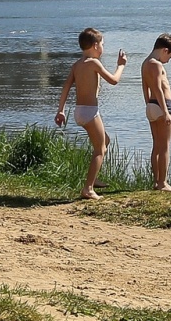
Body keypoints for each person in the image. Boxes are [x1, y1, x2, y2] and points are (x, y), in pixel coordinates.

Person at [53, 26, 127, 199]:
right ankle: (88, 189)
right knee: (100, 149)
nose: (103, 48)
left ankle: (94, 178)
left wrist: (61, 110)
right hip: (90, 112)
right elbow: (114, 80)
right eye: (102, 44)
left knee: (104, 141)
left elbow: (66, 86)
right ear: (95, 46)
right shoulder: (94, 63)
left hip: (79, 112)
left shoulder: (77, 64)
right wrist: (121, 65)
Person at [141, 33, 171, 192]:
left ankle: (156, 181)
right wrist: (166, 112)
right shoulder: (156, 64)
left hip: (151, 105)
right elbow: (157, 88)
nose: (168, 61)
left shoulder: (145, 63)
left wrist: (148, 105)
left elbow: (145, 87)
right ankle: (162, 183)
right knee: (164, 146)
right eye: (169, 57)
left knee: (156, 146)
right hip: (161, 105)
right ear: (165, 50)